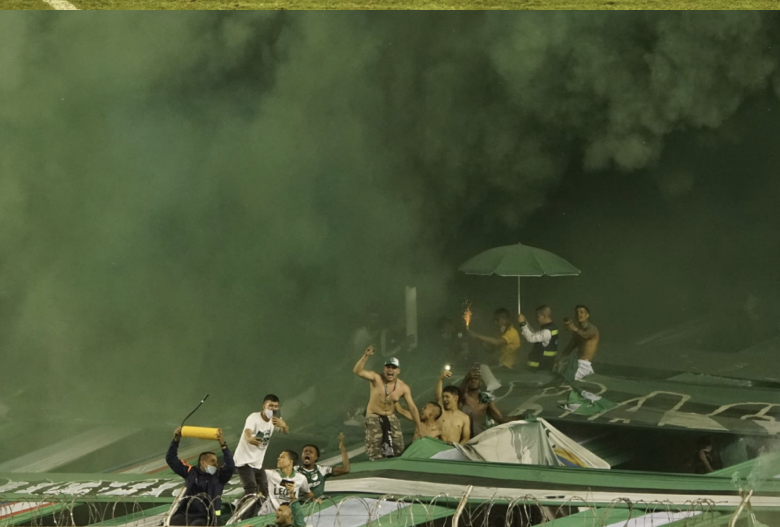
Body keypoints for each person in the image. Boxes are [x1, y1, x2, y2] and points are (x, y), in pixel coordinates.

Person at [353, 345, 422, 460]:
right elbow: (357, 371)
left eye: (393, 368)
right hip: (374, 415)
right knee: (375, 450)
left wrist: (419, 427)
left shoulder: (403, 387)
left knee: (398, 448)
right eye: (388, 367)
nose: (390, 370)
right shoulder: (376, 378)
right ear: (384, 369)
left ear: (398, 371)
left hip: (390, 416)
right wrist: (366, 356)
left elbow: (413, 408)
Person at [166, 426, 235, 526]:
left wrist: (223, 445)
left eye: (216, 461)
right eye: (212, 461)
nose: (216, 464)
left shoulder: (219, 477)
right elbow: (171, 459)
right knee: (170, 522)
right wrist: (176, 440)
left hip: (207, 517)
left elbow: (230, 466)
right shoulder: (190, 472)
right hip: (186, 514)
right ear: (203, 463)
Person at [233, 394, 290, 515]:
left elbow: (285, 431)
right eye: (270, 406)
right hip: (244, 461)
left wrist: (284, 425)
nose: (273, 409)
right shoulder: (253, 418)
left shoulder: (275, 419)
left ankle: (244, 507)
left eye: (275, 406)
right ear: (263, 405)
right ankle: (245, 518)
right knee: (251, 490)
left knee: (264, 490)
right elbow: (247, 431)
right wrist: (248, 439)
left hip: (257, 463)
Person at [297, 432, 351, 498]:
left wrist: (343, 450)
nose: (307, 453)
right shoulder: (295, 470)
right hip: (298, 505)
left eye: (311, 452)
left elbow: (345, 469)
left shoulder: (322, 470)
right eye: (305, 451)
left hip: (316, 505)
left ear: (316, 457)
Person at [459, 366, 508, 437]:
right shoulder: (463, 397)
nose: (473, 381)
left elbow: (501, 418)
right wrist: (466, 378)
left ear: (480, 383)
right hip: (466, 437)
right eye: (471, 379)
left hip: (481, 436)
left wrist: (523, 417)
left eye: (476, 379)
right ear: (467, 383)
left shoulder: (485, 399)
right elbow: (457, 395)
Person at [556, 305, 600, 382]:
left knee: (565, 379)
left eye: (581, 312)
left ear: (587, 315)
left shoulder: (592, 328)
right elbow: (570, 347)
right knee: (557, 371)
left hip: (584, 363)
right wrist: (560, 361)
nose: (579, 314)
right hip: (577, 362)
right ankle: (588, 372)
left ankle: (586, 371)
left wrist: (574, 328)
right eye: (577, 313)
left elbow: (586, 335)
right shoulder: (578, 332)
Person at [517, 306, 559, 371]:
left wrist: (522, 324)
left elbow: (531, 338)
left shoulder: (546, 331)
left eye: (538, 316)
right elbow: (534, 333)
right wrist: (525, 322)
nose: (536, 319)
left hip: (539, 367)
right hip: (544, 366)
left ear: (543, 316)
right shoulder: (551, 327)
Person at [435, 371, 471, 444]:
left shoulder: (464, 418)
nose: (444, 399)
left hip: (453, 450)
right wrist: (440, 379)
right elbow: (438, 397)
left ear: (455, 398)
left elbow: (466, 437)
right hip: (438, 448)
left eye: (447, 397)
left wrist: (456, 449)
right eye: (443, 397)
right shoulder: (441, 412)